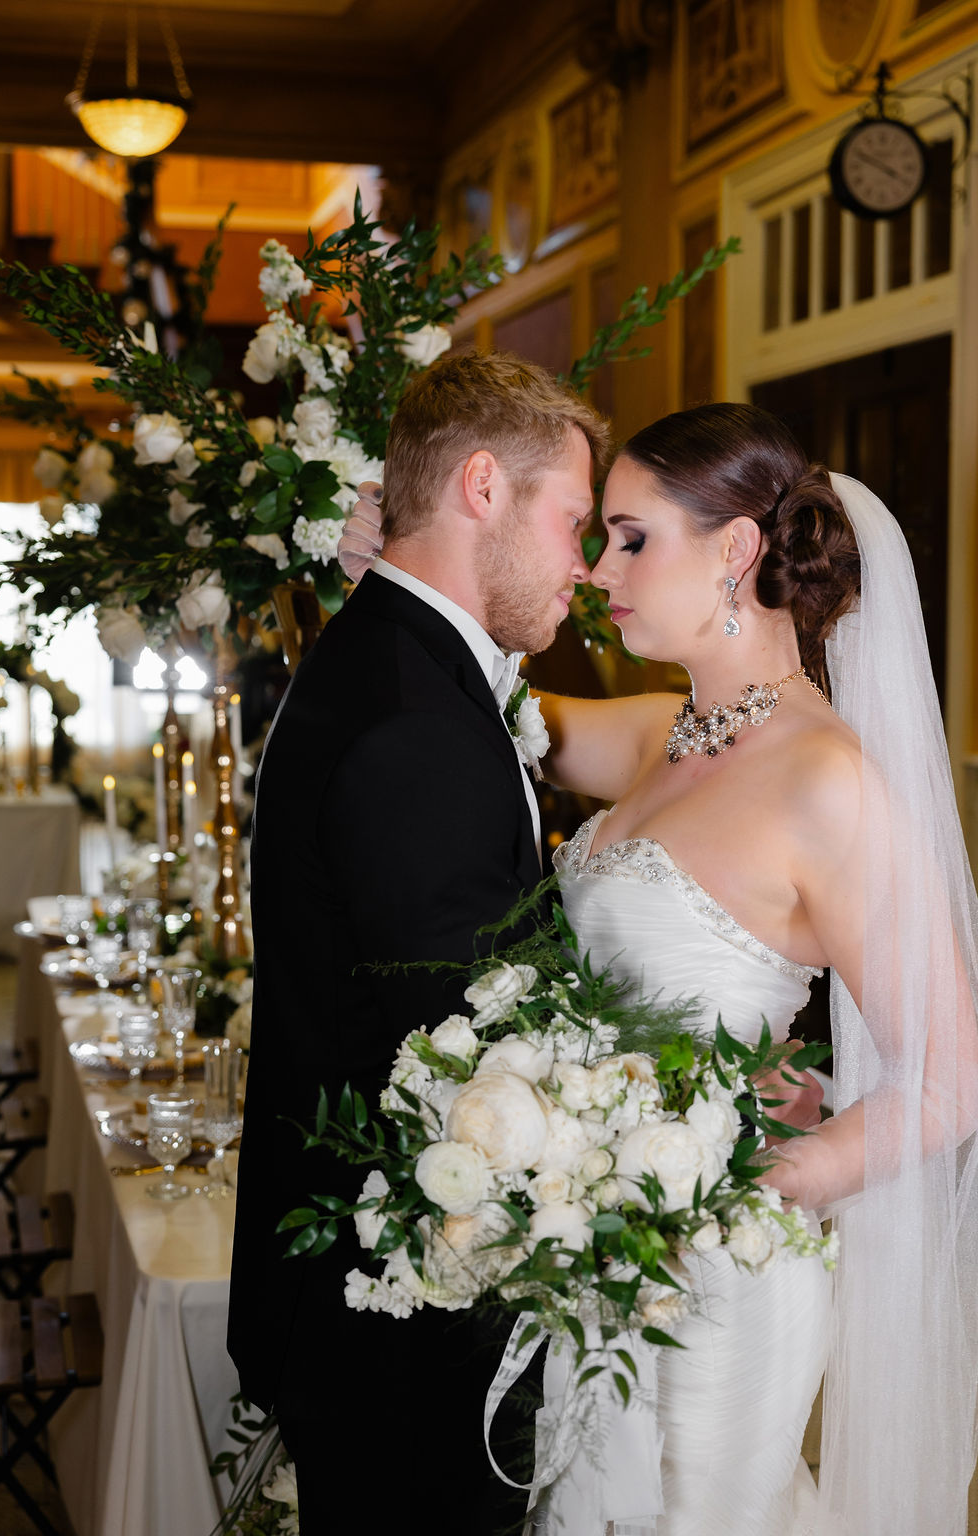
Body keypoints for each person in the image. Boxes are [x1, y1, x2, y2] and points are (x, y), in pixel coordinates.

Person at [344, 401, 978, 1535]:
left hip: (719, 1279)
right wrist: (408, 571)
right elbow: (478, 704)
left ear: (735, 550)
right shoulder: (658, 733)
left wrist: (740, 1189)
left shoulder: (829, 783)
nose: (596, 570)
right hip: (595, 1261)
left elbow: (949, 1081)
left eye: (632, 538)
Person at [227, 349, 614, 1536]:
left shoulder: (400, 662)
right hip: (409, 1329)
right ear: (484, 488)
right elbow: (460, 1064)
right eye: (576, 523)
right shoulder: (414, 722)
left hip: (370, 1313)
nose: (586, 565)